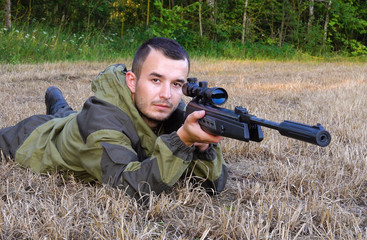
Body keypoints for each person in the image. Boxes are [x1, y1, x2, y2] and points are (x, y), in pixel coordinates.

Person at [0, 37, 228, 198]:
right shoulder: (101, 120)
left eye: (176, 83)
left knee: (67, 113)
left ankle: (57, 100)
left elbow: (211, 186)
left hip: (78, 120)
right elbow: (126, 186)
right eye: (155, 80)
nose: (167, 95)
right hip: (39, 136)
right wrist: (182, 142)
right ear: (132, 81)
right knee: (62, 120)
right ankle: (56, 103)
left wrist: (202, 148)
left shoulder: (173, 108)